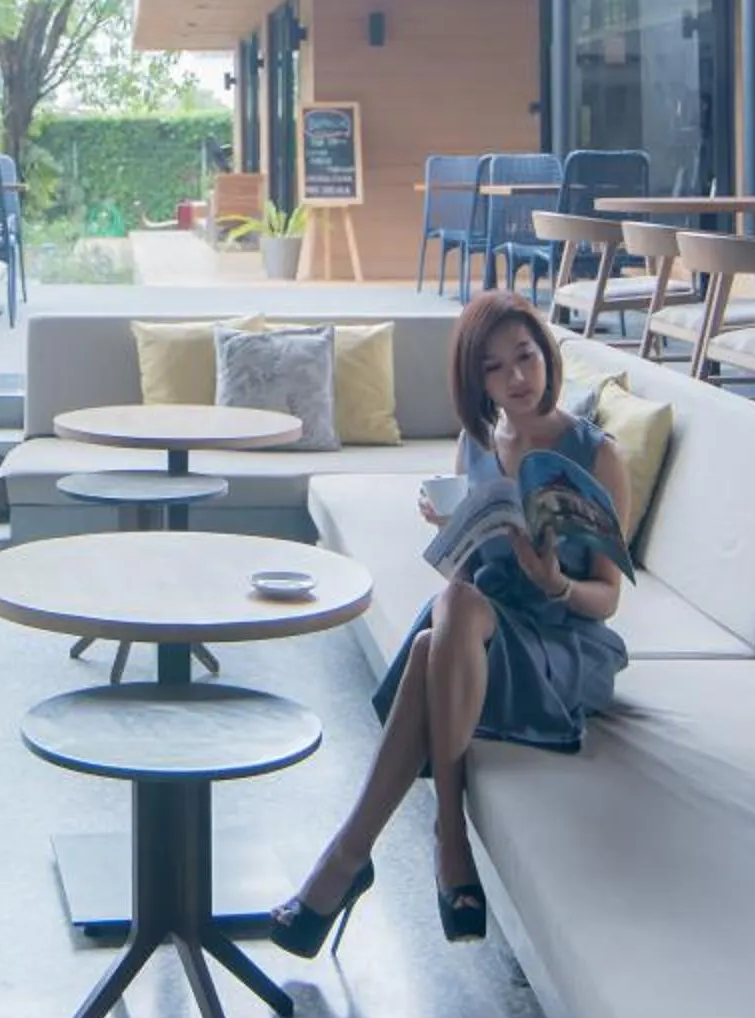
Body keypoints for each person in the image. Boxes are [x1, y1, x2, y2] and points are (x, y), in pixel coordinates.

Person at [270, 290, 631, 954]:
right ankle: (419, 846)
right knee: (450, 615)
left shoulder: (596, 454)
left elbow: (608, 597)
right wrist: (454, 530)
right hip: (487, 626)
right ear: (476, 381)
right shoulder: (478, 441)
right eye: (494, 367)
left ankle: (391, 847)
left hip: (565, 643)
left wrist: (554, 581)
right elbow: (465, 577)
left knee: (434, 641)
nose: (516, 377)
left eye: (525, 357)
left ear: (547, 357)